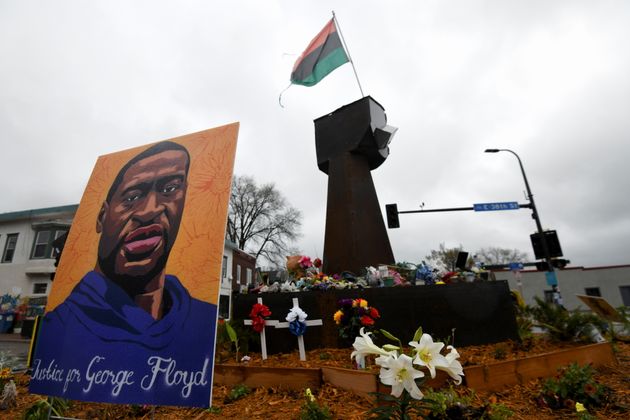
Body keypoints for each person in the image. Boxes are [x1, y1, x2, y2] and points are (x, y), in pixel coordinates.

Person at [30, 141, 217, 407]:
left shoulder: (202, 321)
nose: (150, 210)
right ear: (102, 216)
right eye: (131, 196)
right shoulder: (61, 328)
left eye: (170, 189)